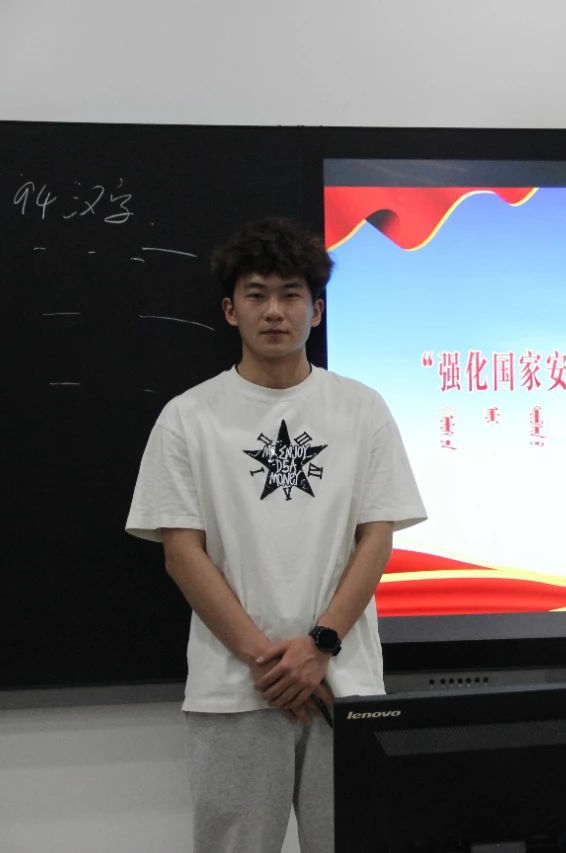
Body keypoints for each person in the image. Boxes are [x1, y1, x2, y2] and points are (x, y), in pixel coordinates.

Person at [125, 217, 426, 852]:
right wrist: (271, 664)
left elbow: (376, 538)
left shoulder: (362, 409)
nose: (274, 312)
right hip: (234, 692)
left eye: (291, 295)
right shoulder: (188, 417)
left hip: (344, 686)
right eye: (256, 295)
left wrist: (320, 646)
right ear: (229, 310)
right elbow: (182, 554)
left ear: (316, 311)